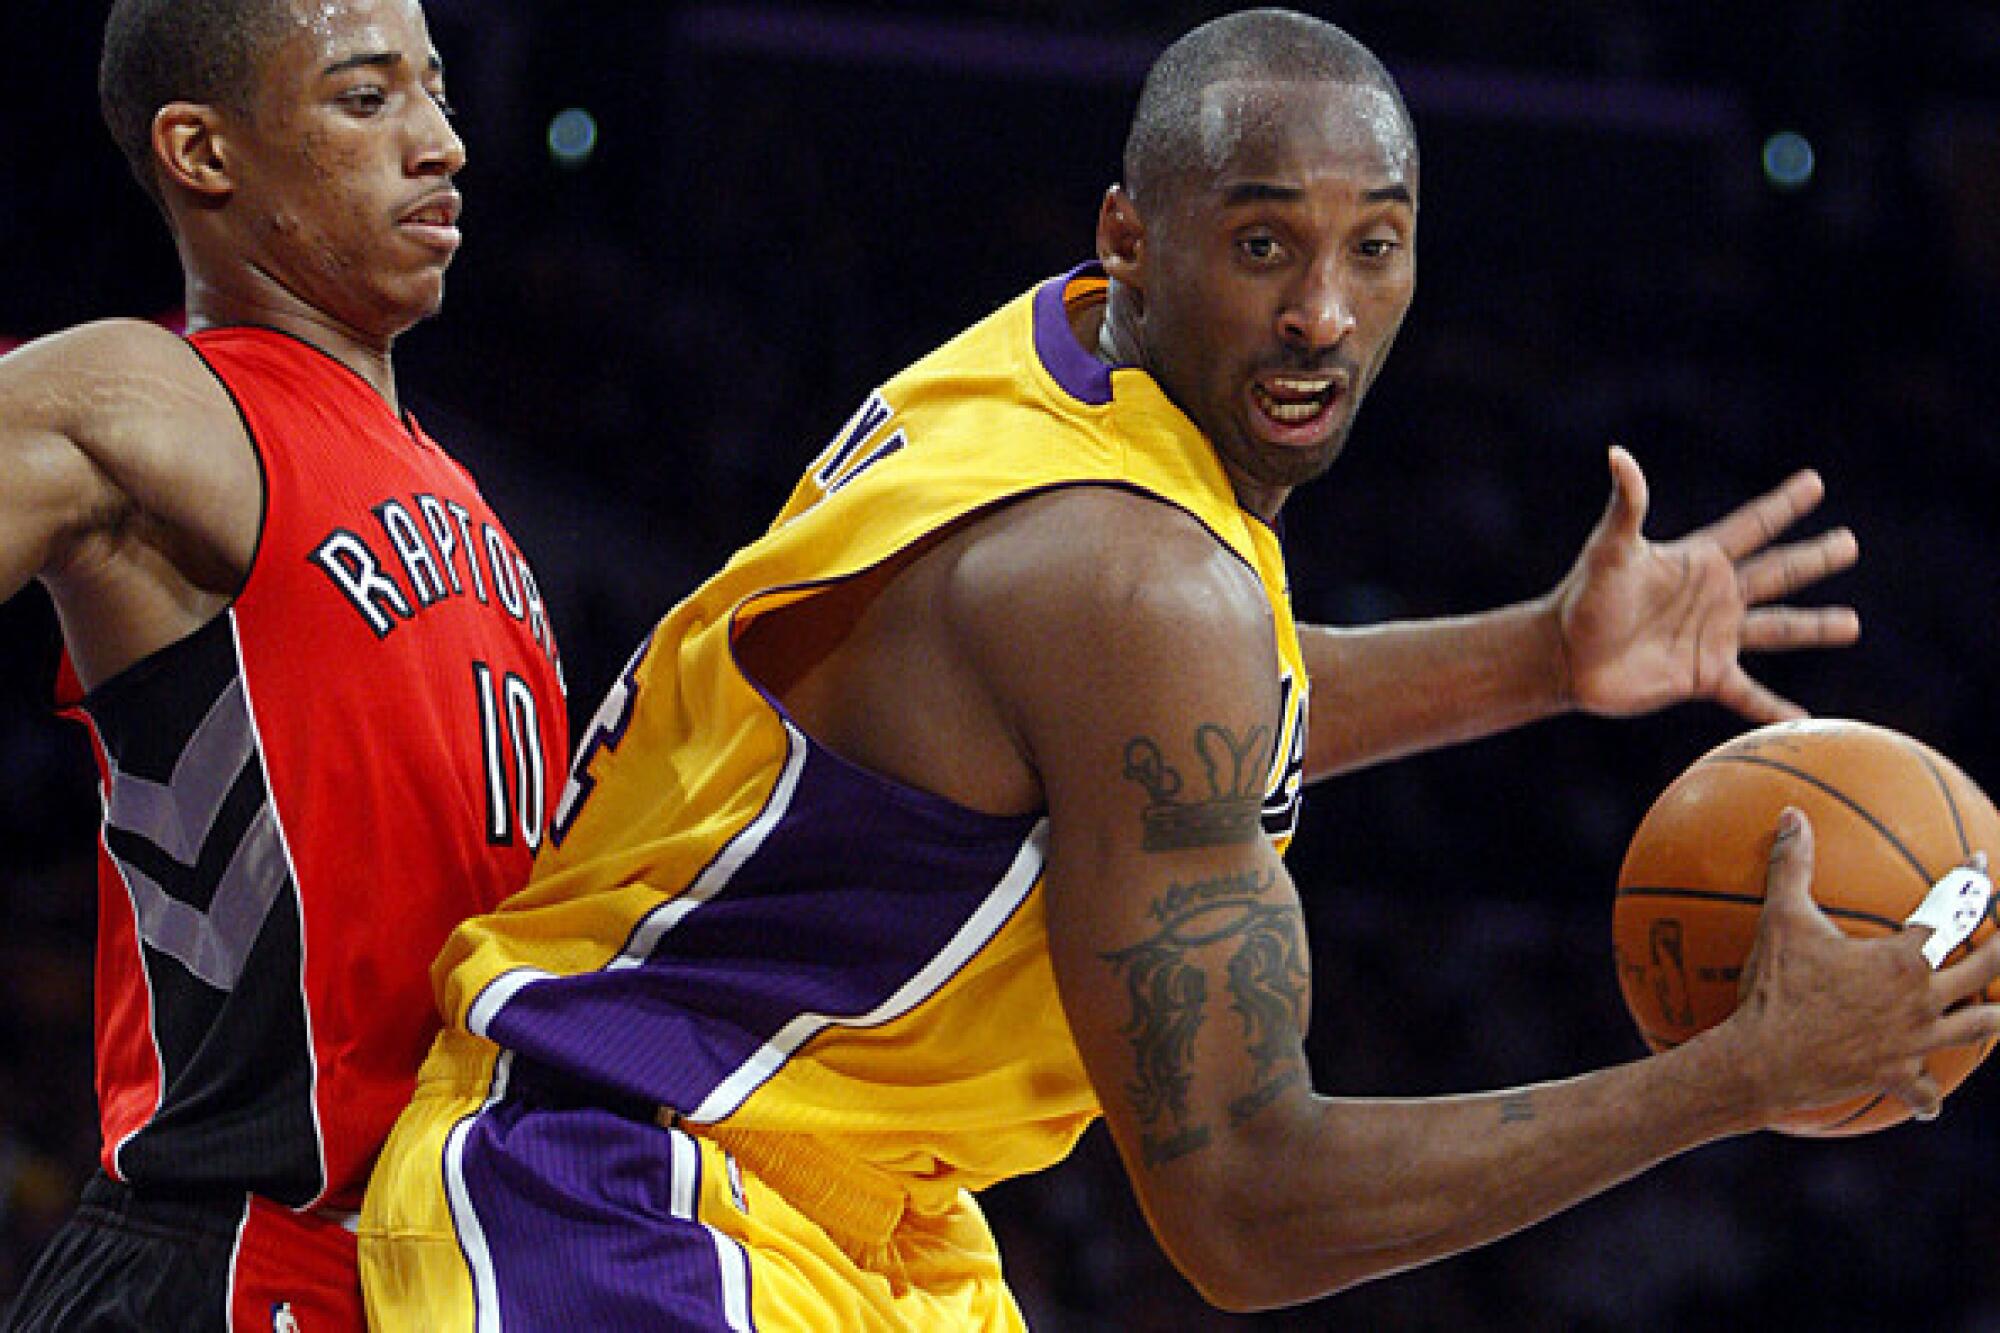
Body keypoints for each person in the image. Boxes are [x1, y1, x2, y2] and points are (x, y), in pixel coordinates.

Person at [360, 8, 1998, 1329]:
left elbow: (1152, 727)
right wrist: (1733, 1079)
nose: (1325, 317)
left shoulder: (1060, 364)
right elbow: (1247, 1211)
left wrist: (1543, 658)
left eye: (1376, 248)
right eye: (1267, 246)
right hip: (618, 1183)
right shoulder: (1142, 578)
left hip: (860, 1215)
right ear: (1133, 233)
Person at [0, 0, 568, 1327]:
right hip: (235, 1257)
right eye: (366, 101)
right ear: (203, 152)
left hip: (435, 1268)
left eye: (436, 93)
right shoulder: (154, 398)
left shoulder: (463, 494)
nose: (440, 143)